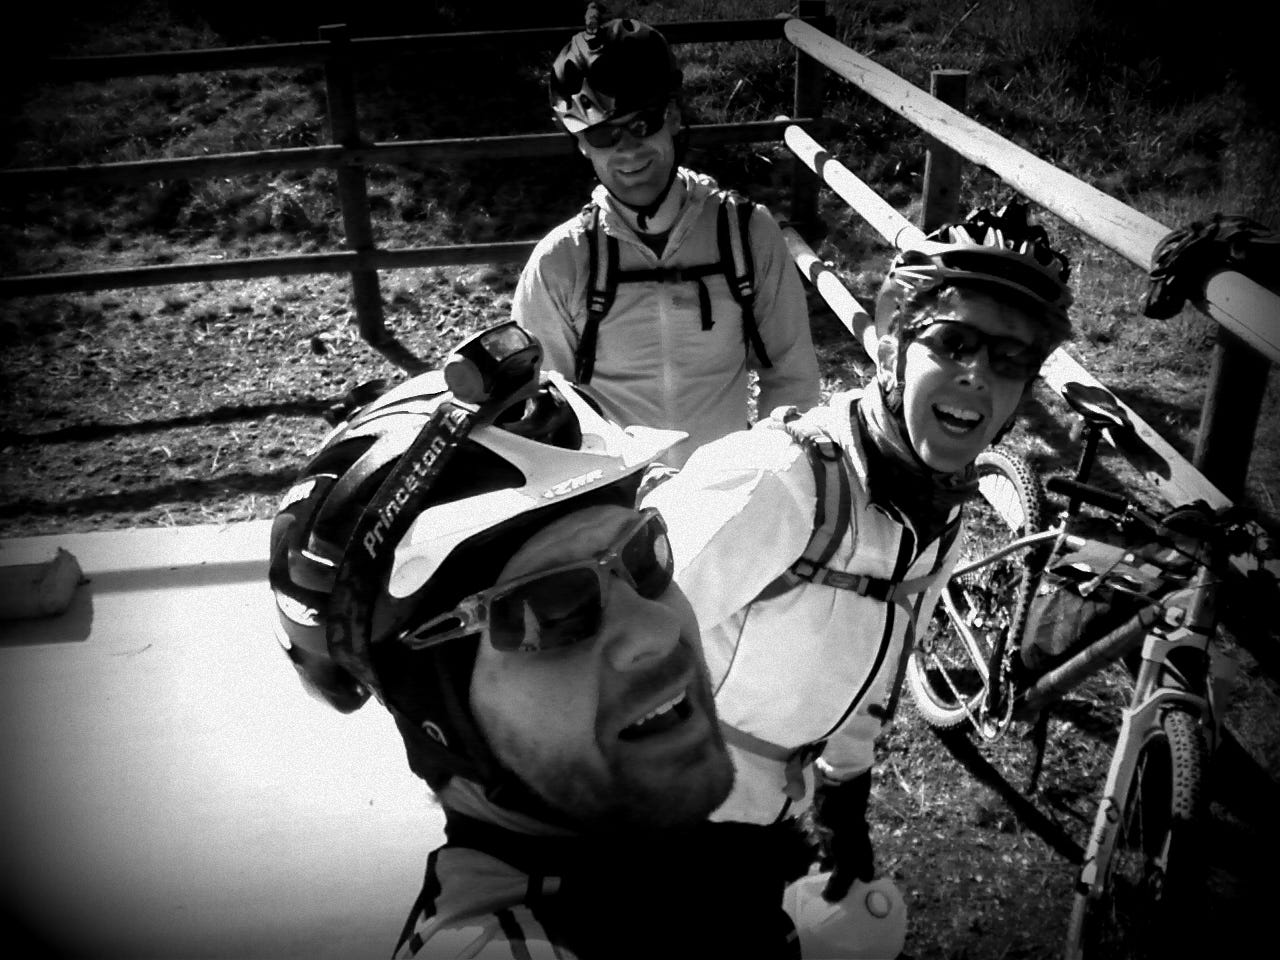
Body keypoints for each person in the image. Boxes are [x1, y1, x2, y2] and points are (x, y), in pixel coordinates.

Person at [267, 322, 811, 959]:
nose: (657, 629)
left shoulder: (696, 874)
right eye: (551, 609)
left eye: (645, 557)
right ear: (435, 712)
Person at [642, 202, 1075, 904]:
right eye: (954, 342)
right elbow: (605, 649)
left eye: (1010, 359)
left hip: (771, 820)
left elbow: (873, 672)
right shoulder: (778, 481)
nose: (978, 375)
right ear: (893, 335)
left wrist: (843, 798)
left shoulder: (940, 516)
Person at [512, 5, 821, 468]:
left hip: (726, 489)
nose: (627, 151)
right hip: (612, 494)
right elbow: (540, 406)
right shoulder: (561, 262)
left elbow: (793, 381)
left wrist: (769, 474)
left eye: (642, 123)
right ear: (580, 144)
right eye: (602, 136)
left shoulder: (747, 235)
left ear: (673, 116)